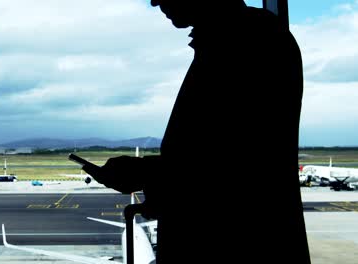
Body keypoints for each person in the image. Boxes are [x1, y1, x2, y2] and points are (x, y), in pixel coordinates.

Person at [84, 1, 311, 263]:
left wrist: (146, 173)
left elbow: (240, 166)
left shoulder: (244, 42)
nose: (155, 1)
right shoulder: (241, 37)